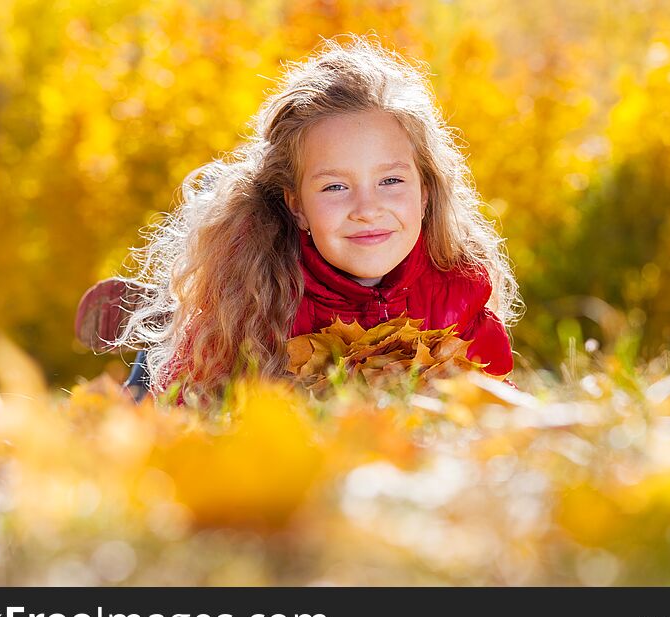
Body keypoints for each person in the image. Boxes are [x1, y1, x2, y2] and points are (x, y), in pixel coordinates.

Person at [76, 36, 523, 403]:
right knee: (144, 392)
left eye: (390, 181)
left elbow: (492, 399)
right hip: (201, 334)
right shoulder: (245, 293)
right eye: (334, 187)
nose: (367, 208)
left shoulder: (458, 284)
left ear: (425, 192)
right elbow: (184, 405)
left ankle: (156, 309)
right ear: (297, 207)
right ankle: (161, 318)